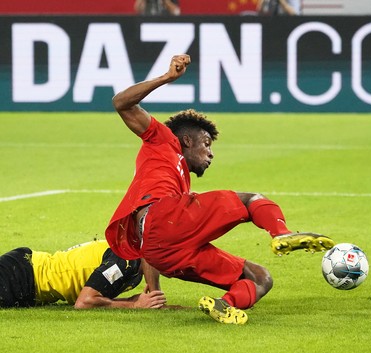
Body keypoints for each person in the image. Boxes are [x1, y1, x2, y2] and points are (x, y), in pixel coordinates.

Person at [107, 53, 333, 325]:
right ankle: (282, 233)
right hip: (164, 223)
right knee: (251, 200)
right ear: (187, 140)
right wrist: (167, 78)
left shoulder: (176, 187)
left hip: (162, 251)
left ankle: (225, 305)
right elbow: (121, 102)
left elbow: (152, 237)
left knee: (260, 278)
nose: (211, 154)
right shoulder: (163, 140)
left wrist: (154, 291)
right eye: (206, 143)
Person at [0, 240, 167, 309]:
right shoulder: (125, 261)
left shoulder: (133, 267)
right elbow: (84, 301)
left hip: (29, 278)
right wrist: (132, 304)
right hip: (22, 275)